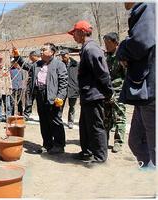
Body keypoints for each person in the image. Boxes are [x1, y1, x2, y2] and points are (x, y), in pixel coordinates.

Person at [68, 20, 114, 167]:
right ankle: (87, 151)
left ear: (82, 32)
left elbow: (103, 73)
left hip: (95, 95)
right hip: (88, 95)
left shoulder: (91, 49)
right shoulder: (86, 48)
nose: (73, 36)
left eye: (74, 33)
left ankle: (100, 156)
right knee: (85, 125)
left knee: (95, 125)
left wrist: (109, 92)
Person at [116, 3, 155, 168]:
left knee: (154, 147)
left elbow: (141, 41)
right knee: (135, 141)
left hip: (151, 90)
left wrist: (122, 48)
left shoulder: (147, 6)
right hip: (143, 94)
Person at [14, 43, 68, 154]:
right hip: (40, 95)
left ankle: (59, 145)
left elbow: (63, 82)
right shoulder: (37, 64)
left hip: (53, 96)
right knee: (43, 121)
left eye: (44, 50)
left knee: (55, 121)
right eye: (41, 50)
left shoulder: (59, 64)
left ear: (52, 52)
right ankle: (47, 144)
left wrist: (60, 97)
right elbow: (26, 66)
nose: (41, 52)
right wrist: (17, 57)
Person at [102, 32, 126, 153]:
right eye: (105, 43)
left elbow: (127, 75)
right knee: (106, 117)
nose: (106, 46)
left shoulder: (122, 56)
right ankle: (103, 140)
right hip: (106, 91)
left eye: (108, 43)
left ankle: (118, 142)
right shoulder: (105, 56)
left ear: (115, 43)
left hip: (118, 92)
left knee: (119, 117)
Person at [59, 49, 79, 129]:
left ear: (68, 54)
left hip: (73, 88)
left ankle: (70, 121)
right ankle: (58, 119)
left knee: (72, 106)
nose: (63, 57)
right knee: (60, 105)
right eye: (62, 56)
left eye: (64, 55)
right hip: (63, 88)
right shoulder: (60, 64)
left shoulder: (76, 64)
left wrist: (78, 86)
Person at [21, 50, 41, 120]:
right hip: (30, 85)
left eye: (31, 57)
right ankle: (26, 115)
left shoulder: (42, 64)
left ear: (35, 56)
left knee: (41, 103)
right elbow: (25, 65)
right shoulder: (32, 64)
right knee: (28, 101)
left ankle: (42, 116)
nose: (30, 58)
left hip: (40, 87)